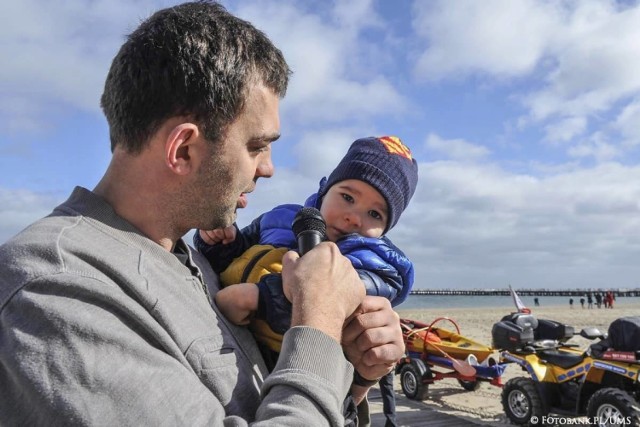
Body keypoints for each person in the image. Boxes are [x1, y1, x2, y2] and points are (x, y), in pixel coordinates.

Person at [0, 2, 404, 425]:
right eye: (255, 146)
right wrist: (317, 318)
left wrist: (358, 376)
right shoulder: (57, 290)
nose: (268, 168)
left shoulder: (189, 259)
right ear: (184, 149)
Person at [194, 136, 417, 364]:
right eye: (347, 197)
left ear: (385, 229)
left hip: (287, 359)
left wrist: (259, 299)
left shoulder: (377, 265)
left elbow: (328, 298)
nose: (353, 217)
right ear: (325, 191)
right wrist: (220, 242)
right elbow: (235, 255)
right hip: (224, 333)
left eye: (374, 214)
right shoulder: (279, 218)